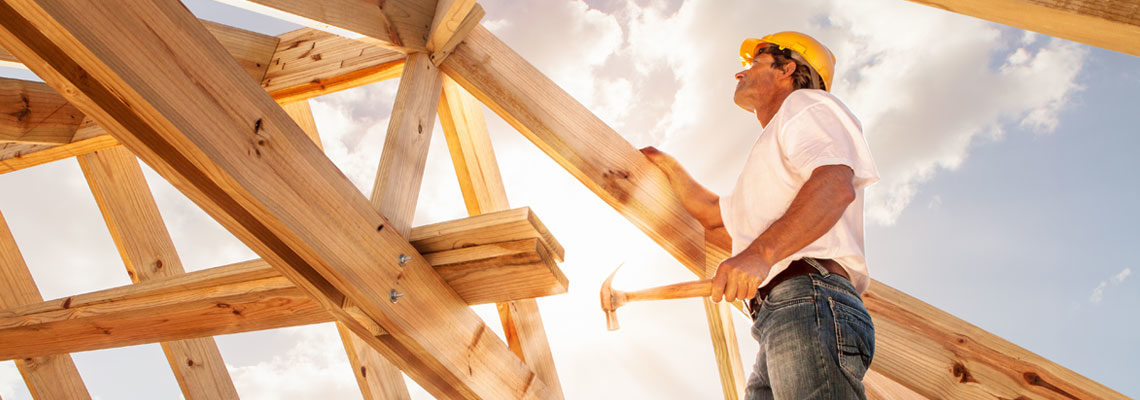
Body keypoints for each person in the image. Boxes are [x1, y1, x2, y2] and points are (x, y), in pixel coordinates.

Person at [640, 32, 879, 399]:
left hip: (808, 299)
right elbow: (712, 215)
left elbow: (835, 185)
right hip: (782, 312)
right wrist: (668, 165)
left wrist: (760, 255)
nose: (740, 74)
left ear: (787, 68)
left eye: (754, 63)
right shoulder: (771, 155)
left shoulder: (808, 104)